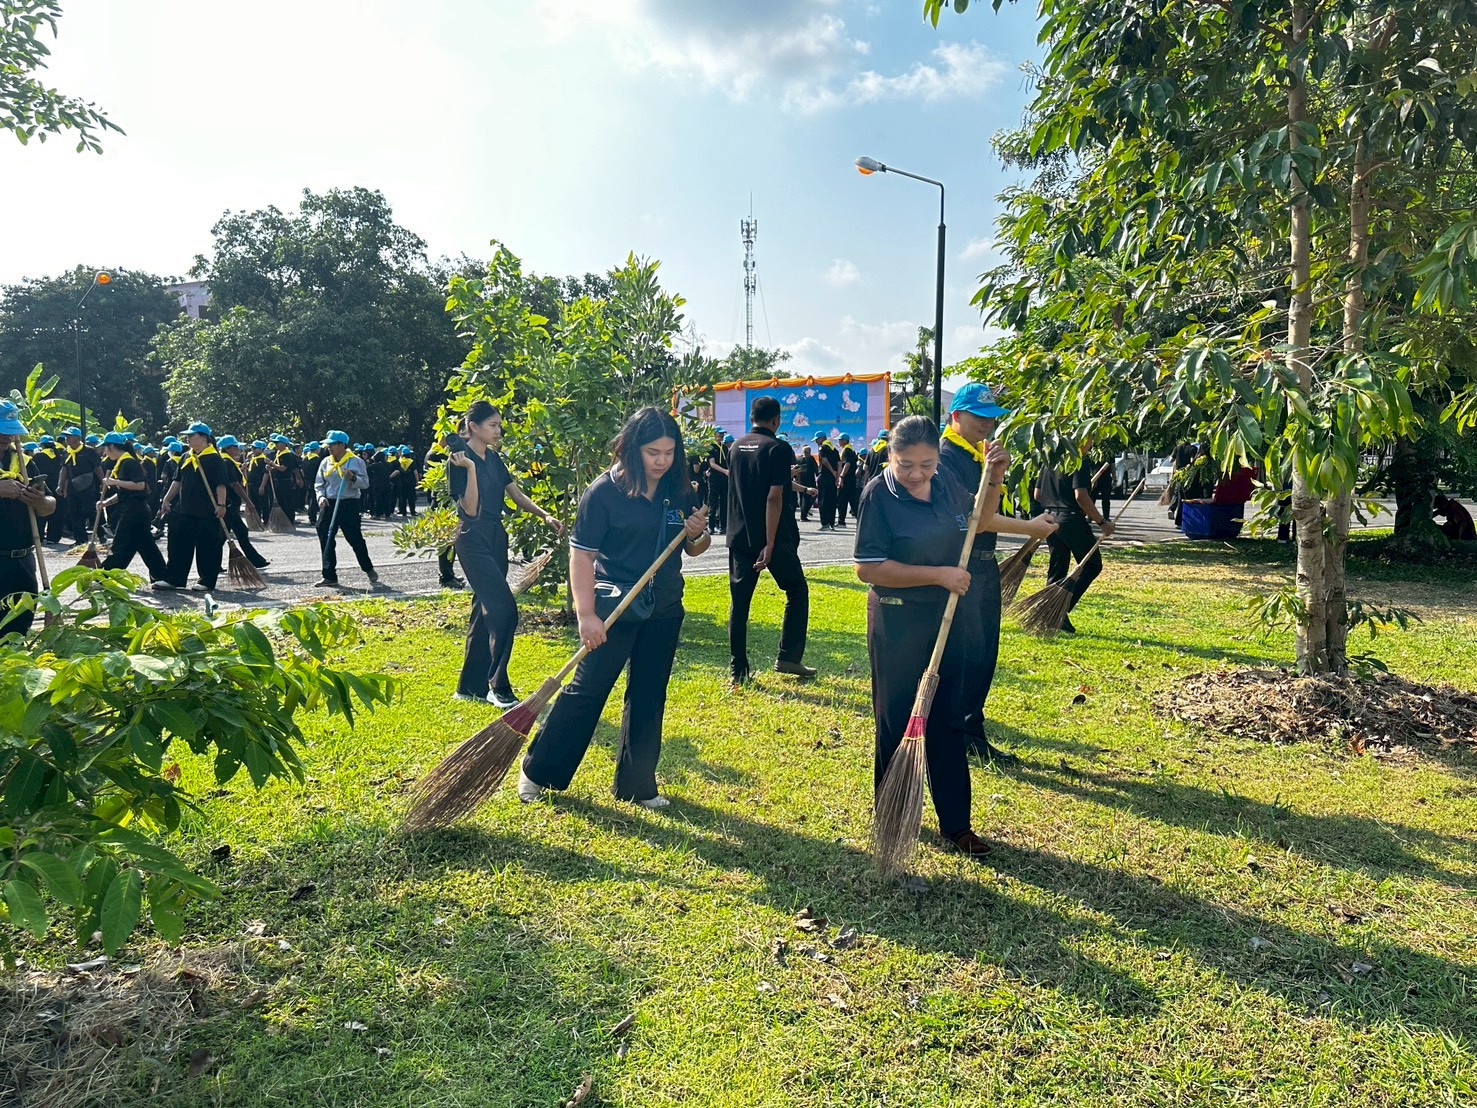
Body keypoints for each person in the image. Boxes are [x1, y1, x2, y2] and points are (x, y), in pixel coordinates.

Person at [520, 407, 710, 808]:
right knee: (587, 691)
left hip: (664, 607)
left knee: (648, 694)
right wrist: (586, 615)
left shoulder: (679, 489)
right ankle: (539, 772)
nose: (662, 461)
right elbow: (581, 557)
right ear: (631, 449)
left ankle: (637, 785)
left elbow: (694, 549)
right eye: (652, 452)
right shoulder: (604, 492)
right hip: (615, 608)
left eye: (669, 451)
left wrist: (697, 535)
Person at [854, 414, 1006, 861]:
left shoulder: (945, 486)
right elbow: (868, 568)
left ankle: (956, 824)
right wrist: (938, 575)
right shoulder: (877, 495)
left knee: (947, 719)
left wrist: (993, 477)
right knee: (897, 720)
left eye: (926, 463)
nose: (917, 474)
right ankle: (895, 813)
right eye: (906, 465)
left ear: (938, 458)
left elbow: (980, 520)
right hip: (899, 621)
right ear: (891, 456)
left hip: (949, 619)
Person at [938, 384, 1059, 765]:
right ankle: (960, 731)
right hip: (963, 564)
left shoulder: (978, 455)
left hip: (984, 562)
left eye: (991, 418)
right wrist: (1032, 528)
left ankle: (971, 728)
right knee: (968, 653)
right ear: (955, 416)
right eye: (977, 416)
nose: (986, 424)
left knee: (984, 651)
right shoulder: (948, 458)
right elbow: (979, 519)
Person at [447, 401, 562, 707]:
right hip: (472, 537)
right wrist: (470, 469)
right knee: (504, 610)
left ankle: (468, 687)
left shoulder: (495, 459)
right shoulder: (459, 460)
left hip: (496, 537)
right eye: (493, 425)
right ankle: (497, 687)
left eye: (499, 425)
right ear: (474, 426)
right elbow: (469, 510)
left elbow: (515, 493)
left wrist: (545, 516)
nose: (499, 431)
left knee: (483, 612)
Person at [726, 396, 818, 687]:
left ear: (751, 417)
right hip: (772, 535)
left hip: (739, 535)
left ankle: (738, 670)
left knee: (740, 604)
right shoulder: (778, 448)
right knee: (796, 590)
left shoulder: (736, 447)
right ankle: (788, 656)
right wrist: (769, 542)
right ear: (776, 420)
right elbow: (774, 496)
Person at [1033, 439, 1115, 635]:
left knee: (1058, 567)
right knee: (1092, 565)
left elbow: (1037, 494)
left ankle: (1049, 611)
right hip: (1070, 519)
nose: (1091, 444)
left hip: (1050, 518)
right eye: (1089, 439)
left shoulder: (1050, 460)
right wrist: (1102, 523)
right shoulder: (1078, 460)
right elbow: (1081, 496)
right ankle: (1057, 608)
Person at [0, 401, 58, 635]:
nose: (8, 437)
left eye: (10, 431)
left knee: (17, 631)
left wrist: (40, 502)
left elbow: (51, 506)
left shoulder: (24, 462)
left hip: (22, 561)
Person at [155, 422, 229, 591]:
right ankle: (175, 578)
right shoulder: (185, 457)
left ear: (203, 437)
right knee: (178, 544)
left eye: (191, 435)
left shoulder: (214, 458)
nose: (187, 439)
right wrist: (166, 500)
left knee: (207, 546)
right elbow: (177, 481)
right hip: (184, 509)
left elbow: (221, 485)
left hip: (207, 511)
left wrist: (221, 504)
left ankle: (206, 580)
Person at [97, 432, 170, 583]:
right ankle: (162, 576)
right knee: (146, 546)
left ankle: (104, 577)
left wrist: (114, 482)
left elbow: (140, 485)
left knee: (120, 544)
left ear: (112, 446)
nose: (104, 452)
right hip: (134, 509)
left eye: (105, 447)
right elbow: (124, 493)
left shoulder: (129, 462)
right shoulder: (122, 462)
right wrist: (106, 503)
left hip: (135, 511)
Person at [314, 431, 379, 589]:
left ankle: (367, 568)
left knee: (354, 538)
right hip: (329, 504)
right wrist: (321, 497)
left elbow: (365, 484)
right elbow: (319, 483)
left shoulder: (355, 462)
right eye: (328, 444)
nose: (329, 447)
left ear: (342, 445)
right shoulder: (325, 462)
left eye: (332, 444)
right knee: (325, 534)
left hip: (348, 504)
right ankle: (329, 575)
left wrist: (352, 478)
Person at [215, 436, 270, 569]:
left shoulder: (227, 461)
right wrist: (248, 501)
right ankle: (213, 563)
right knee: (222, 535)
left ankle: (256, 560)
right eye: (236, 447)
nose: (238, 449)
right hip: (229, 502)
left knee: (241, 531)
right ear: (228, 448)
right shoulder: (226, 462)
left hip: (231, 504)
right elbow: (235, 484)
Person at [60, 427, 103, 545]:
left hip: (88, 488)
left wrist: (103, 482)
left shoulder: (89, 451)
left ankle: (101, 535)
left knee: (91, 512)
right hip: (72, 489)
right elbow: (63, 469)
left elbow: (97, 467)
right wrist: (60, 485)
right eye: (66, 436)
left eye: (69, 436)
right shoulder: (66, 452)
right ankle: (80, 540)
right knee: (74, 514)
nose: (66, 438)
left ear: (77, 438)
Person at [29, 435, 64, 542]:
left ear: (42, 445)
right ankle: (53, 538)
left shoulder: (38, 457)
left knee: (41, 512)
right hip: (58, 487)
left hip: (43, 487)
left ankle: (39, 536)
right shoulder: (60, 456)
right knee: (57, 513)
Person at [705, 427, 729, 535]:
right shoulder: (710, 447)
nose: (722, 436)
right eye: (720, 434)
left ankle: (723, 526)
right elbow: (712, 463)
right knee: (713, 501)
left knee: (724, 501)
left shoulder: (724, 448)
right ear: (714, 434)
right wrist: (725, 471)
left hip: (725, 478)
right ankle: (711, 526)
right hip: (714, 477)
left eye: (723, 434)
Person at [816, 432, 841, 532]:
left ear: (822, 438)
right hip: (833, 478)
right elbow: (839, 464)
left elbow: (825, 461)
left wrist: (831, 471)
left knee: (823, 500)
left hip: (825, 476)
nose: (817, 442)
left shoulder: (823, 448)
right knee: (832, 500)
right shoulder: (834, 449)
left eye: (817, 439)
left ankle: (825, 523)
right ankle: (831, 523)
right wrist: (837, 476)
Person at [837, 434, 860, 526]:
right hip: (850, 478)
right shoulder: (850, 449)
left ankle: (841, 521)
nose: (838, 442)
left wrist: (841, 477)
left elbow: (847, 464)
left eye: (840, 440)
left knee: (843, 500)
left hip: (847, 478)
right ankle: (860, 520)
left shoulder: (847, 450)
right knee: (852, 500)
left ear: (845, 440)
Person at [302, 441, 323, 527]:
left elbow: (302, 471)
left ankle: (311, 517)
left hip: (307, 481)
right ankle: (313, 518)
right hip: (315, 481)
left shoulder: (305, 459)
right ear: (317, 449)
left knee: (310, 498)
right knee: (313, 500)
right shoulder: (317, 460)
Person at [795, 445, 818, 521]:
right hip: (809, 481)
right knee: (809, 497)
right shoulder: (811, 459)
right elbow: (816, 469)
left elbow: (796, 470)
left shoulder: (799, 459)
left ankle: (803, 513)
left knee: (801, 498)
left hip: (800, 481)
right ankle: (804, 515)